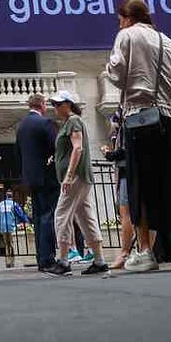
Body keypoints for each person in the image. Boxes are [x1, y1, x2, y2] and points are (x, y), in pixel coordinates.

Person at [106, 0, 171, 273]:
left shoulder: (126, 35)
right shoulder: (168, 41)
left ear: (127, 17)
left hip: (143, 117)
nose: (119, 23)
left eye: (120, 19)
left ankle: (145, 252)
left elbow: (116, 74)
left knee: (143, 186)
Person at [48, 91, 109, 276]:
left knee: (61, 215)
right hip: (80, 177)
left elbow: (78, 148)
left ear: (69, 104)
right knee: (85, 216)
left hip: (76, 177)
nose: (56, 108)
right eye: (54, 104)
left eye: (59, 104)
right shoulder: (69, 123)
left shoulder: (73, 121)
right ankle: (99, 261)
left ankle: (64, 261)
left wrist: (68, 175)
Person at [15, 93, 59, 273]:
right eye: (45, 104)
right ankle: (47, 259)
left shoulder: (21, 126)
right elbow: (56, 147)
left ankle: (41, 258)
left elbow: (18, 152)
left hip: (30, 178)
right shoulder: (45, 123)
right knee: (48, 216)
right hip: (46, 176)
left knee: (39, 217)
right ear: (41, 104)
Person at [102, 113, 136, 270]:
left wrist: (107, 153)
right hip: (138, 173)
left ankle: (125, 253)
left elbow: (122, 153)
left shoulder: (125, 128)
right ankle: (144, 250)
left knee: (126, 213)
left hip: (127, 174)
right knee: (143, 213)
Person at [0, 189, 30, 268]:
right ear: (12, 196)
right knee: (12, 244)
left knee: (6, 244)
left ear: (6, 196)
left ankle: (7, 261)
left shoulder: (0, 204)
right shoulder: (14, 204)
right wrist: (27, 221)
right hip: (12, 226)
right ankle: (12, 261)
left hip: (3, 227)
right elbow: (20, 214)